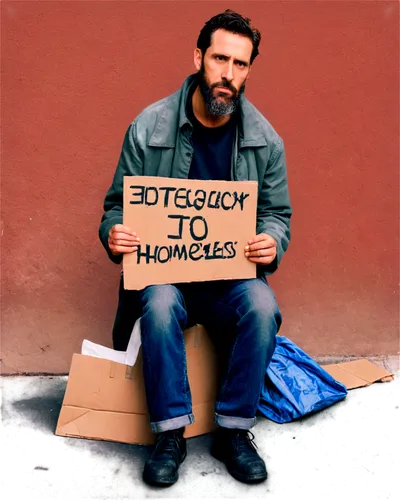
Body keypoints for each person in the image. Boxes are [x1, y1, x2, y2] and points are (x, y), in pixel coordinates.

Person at [99, 9, 291, 486]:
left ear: (249, 70)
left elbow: (277, 214)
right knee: (159, 302)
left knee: (264, 306)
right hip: (168, 278)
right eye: (220, 59)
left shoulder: (265, 141)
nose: (228, 74)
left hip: (229, 280)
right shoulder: (150, 126)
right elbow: (116, 205)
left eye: (240, 64)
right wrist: (114, 233)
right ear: (198, 57)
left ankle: (233, 431)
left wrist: (272, 240)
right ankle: (170, 435)